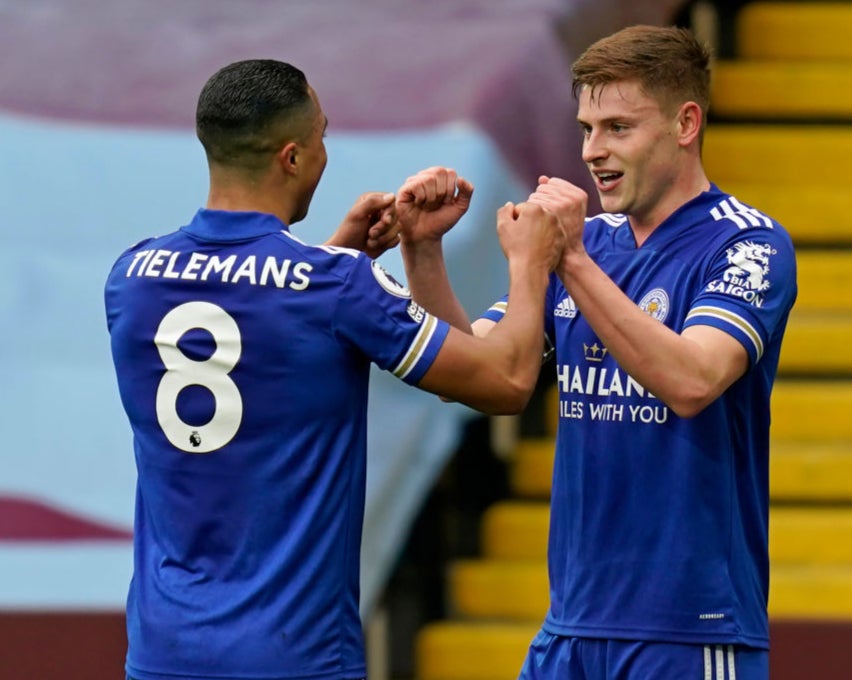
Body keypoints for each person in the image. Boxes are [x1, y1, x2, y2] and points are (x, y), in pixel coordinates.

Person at [104, 58, 563, 680]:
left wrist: (340, 254)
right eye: (322, 136)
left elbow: (254, 333)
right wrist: (531, 261)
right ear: (291, 157)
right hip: (293, 656)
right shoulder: (337, 287)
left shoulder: (132, 278)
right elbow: (505, 382)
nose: (326, 153)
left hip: (164, 654)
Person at [399, 26, 797, 680]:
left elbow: (692, 379)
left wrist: (572, 259)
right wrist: (422, 252)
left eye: (616, 127)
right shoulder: (594, 244)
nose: (592, 151)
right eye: (585, 128)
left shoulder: (746, 246)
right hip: (571, 628)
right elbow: (478, 371)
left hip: (687, 632)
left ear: (685, 123)